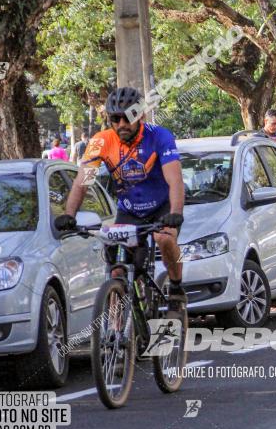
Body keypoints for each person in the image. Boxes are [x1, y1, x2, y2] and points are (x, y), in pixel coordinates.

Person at [54, 86, 186, 307]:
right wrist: (69, 215)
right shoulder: (101, 140)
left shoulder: (160, 136)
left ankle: (175, 285)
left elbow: (175, 180)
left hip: (162, 207)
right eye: (116, 118)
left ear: (140, 115)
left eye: (128, 117)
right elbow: (81, 182)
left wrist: (175, 213)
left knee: (164, 238)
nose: (122, 124)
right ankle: (118, 329)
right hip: (130, 210)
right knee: (117, 268)